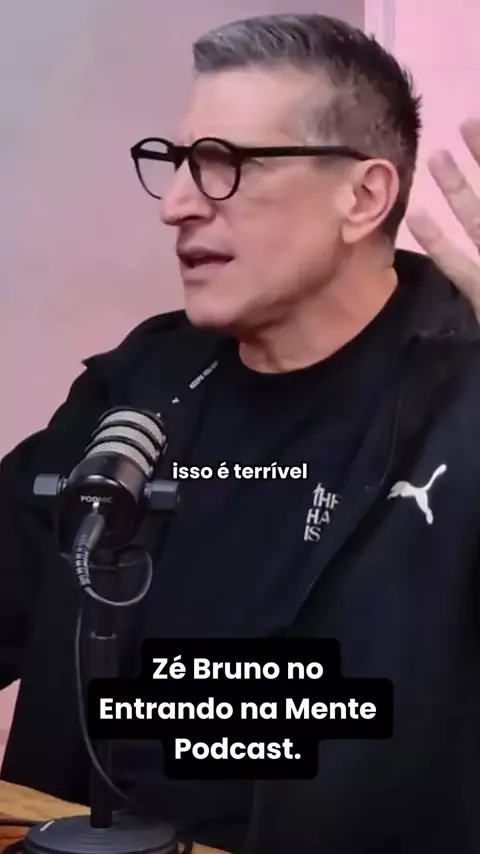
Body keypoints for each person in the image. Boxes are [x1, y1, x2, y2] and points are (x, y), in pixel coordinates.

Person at [1, 11, 480, 854]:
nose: (177, 206)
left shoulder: (464, 399)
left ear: (363, 197)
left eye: (225, 165)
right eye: (178, 164)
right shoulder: (140, 385)